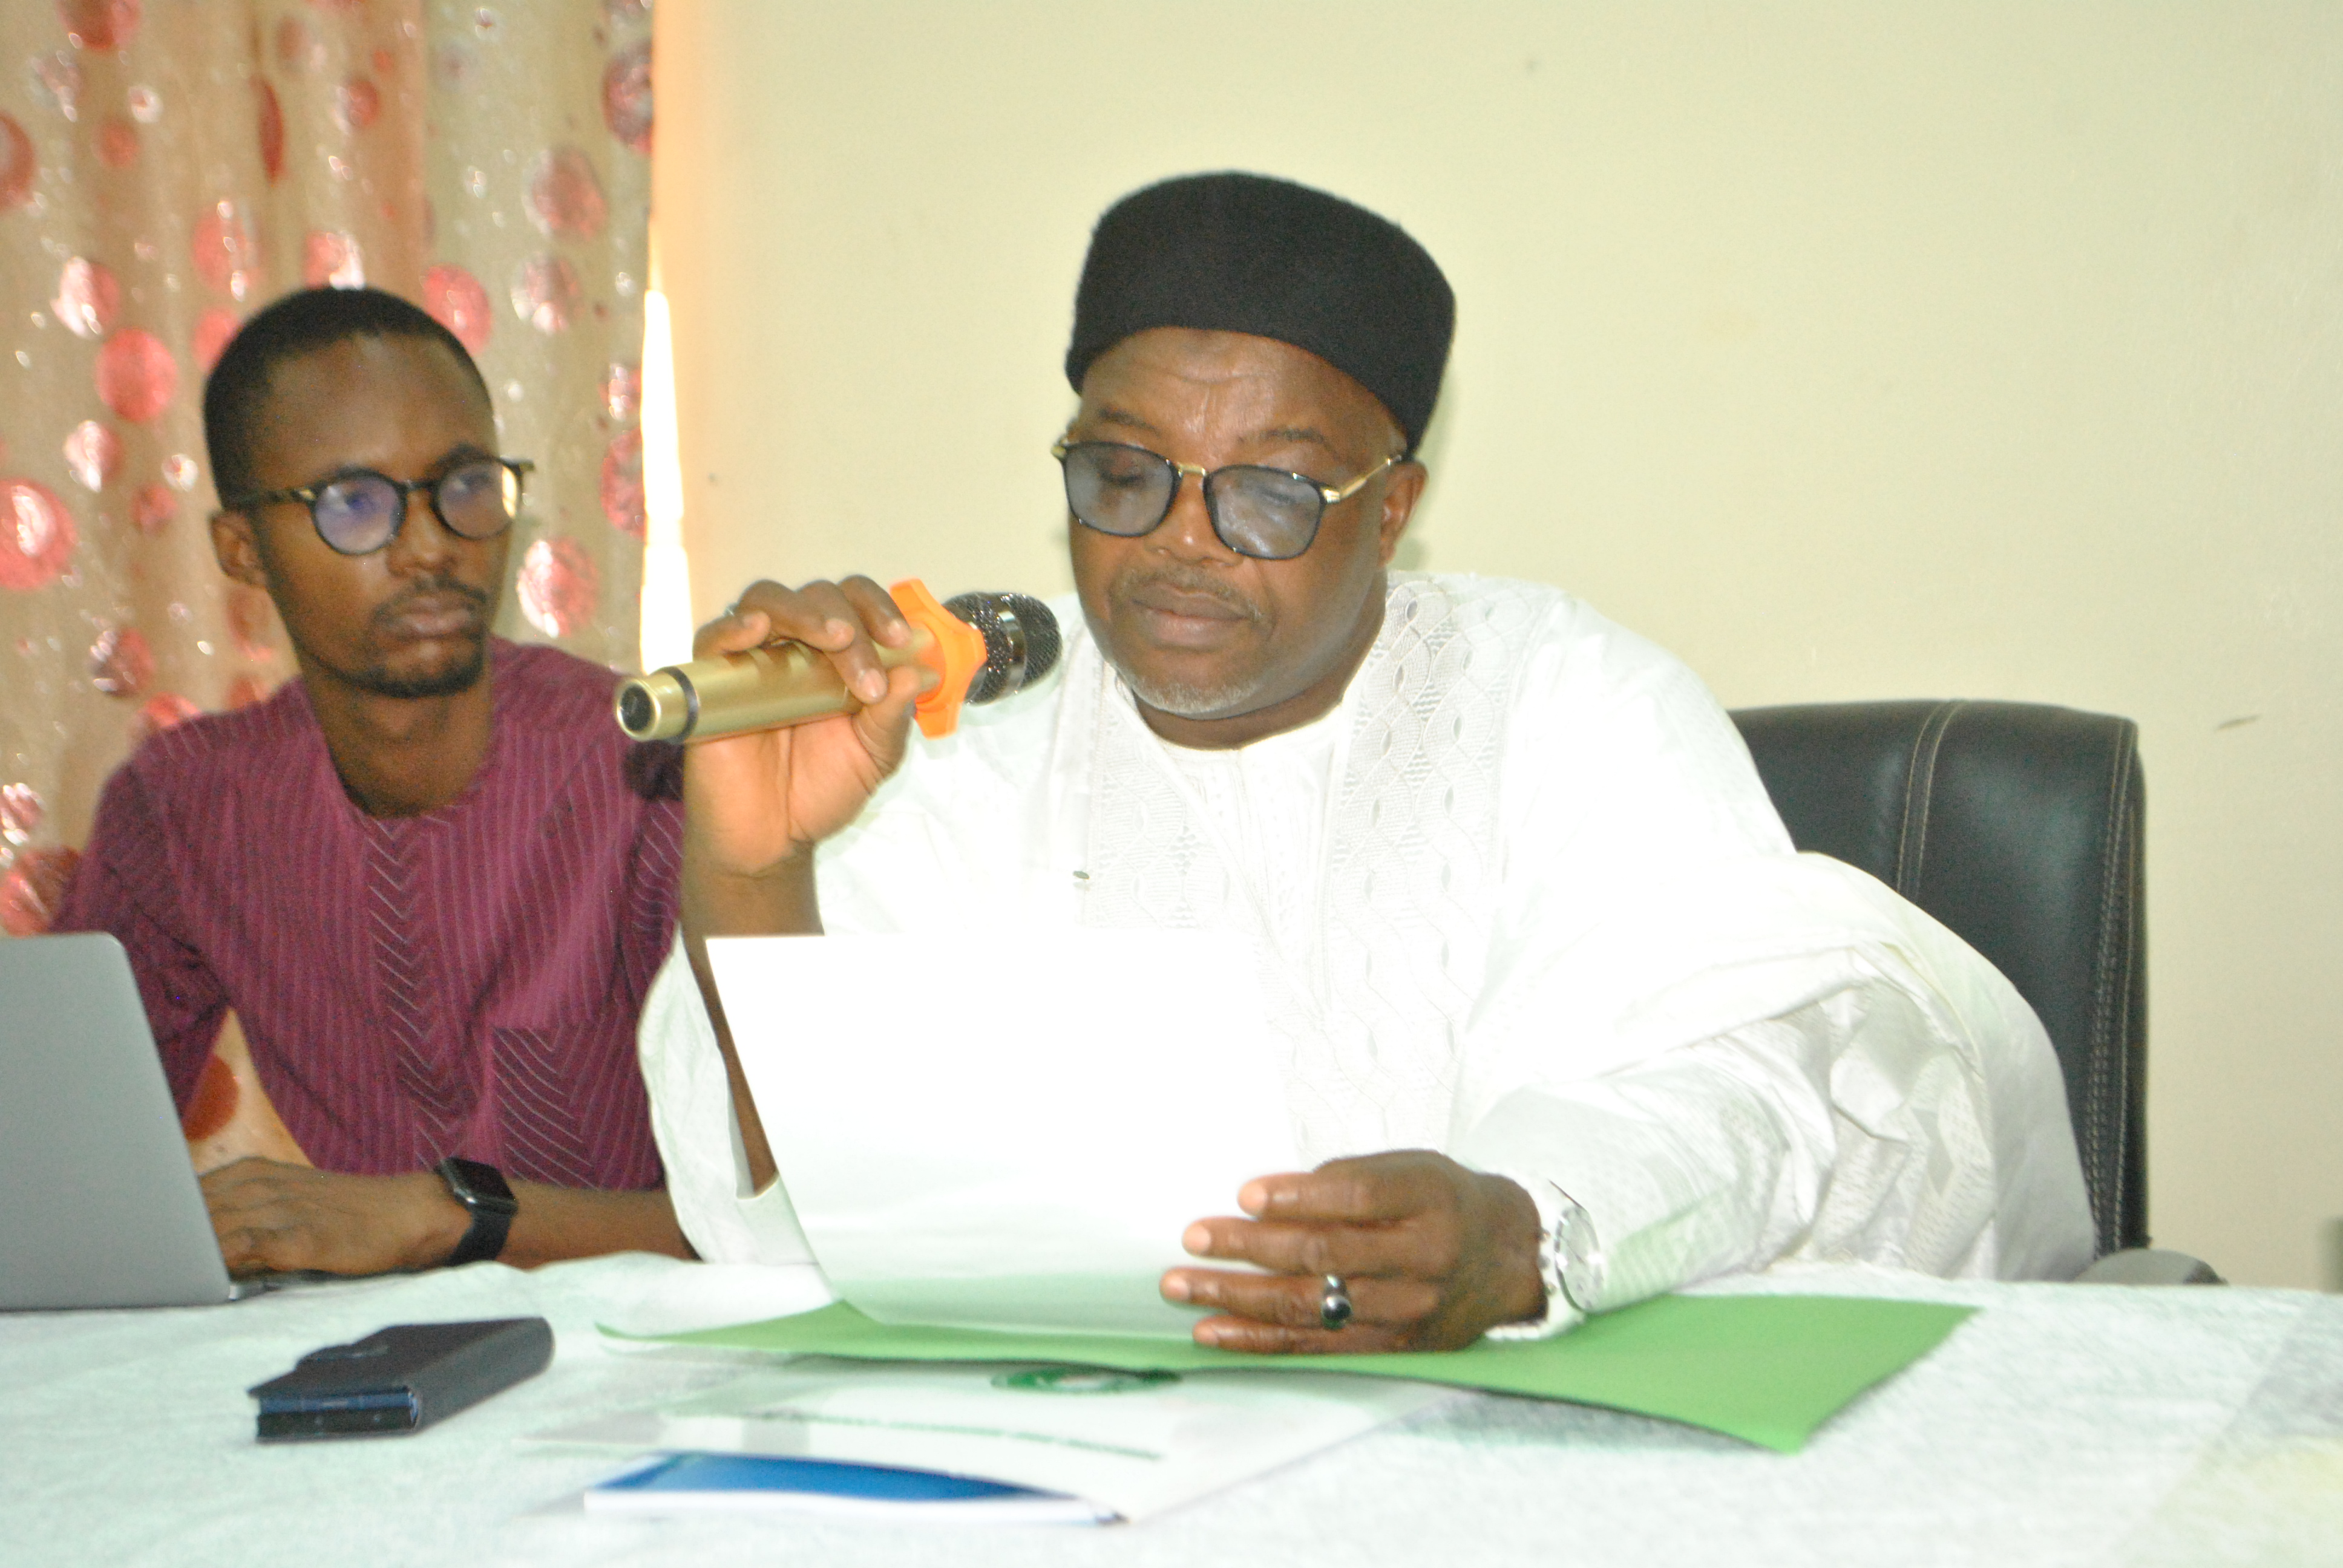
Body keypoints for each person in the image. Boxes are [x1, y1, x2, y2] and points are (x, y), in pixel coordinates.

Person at [641, 172, 2094, 1350]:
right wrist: (753, 874)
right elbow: (809, 1214)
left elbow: (1750, 1083)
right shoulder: (964, 744)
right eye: (1124, 472)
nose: (1182, 539)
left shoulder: (1564, 697)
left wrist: (1526, 1232)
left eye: (1271, 487)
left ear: (1390, 511)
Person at [56, 287, 692, 1275]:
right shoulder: (184, 810)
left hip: (644, 1361)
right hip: (380, 1367)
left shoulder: (643, 768)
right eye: (354, 502)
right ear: (242, 552)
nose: (433, 544)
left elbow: (769, 1227)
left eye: (467, 485)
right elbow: (69, 1181)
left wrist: (439, 1216)